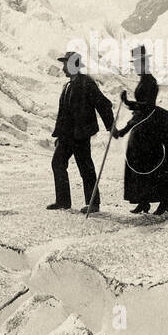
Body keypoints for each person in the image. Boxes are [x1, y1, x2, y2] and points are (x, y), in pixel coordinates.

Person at [112, 46, 168, 215]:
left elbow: (148, 106)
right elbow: (140, 111)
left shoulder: (150, 81)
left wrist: (129, 103)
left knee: (155, 161)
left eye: (138, 64)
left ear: (145, 63)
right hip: (143, 121)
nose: (136, 67)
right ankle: (143, 200)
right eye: (135, 64)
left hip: (153, 123)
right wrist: (125, 126)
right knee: (138, 159)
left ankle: (164, 201)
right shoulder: (143, 81)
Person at [47, 51, 115, 214]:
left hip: (81, 134)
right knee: (57, 163)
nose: (63, 67)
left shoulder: (86, 83)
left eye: (65, 63)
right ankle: (63, 201)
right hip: (66, 136)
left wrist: (110, 126)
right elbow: (62, 114)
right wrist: (58, 135)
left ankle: (93, 203)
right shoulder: (67, 86)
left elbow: (103, 104)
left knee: (85, 167)